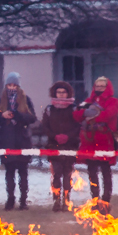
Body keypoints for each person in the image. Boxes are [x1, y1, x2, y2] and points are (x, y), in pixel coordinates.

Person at [73, 77, 118, 213]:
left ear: (107, 87)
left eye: (102, 86)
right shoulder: (88, 101)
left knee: (106, 172)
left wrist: (90, 114)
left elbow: (108, 115)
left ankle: (105, 200)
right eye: (97, 86)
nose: (99, 88)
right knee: (92, 172)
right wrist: (90, 113)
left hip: (104, 139)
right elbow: (76, 115)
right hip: (89, 140)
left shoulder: (113, 101)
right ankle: (95, 200)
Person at [0, 72, 36, 211]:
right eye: (9, 85)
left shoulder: (26, 100)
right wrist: (3, 115)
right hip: (7, 141)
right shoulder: (1, 101)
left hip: (22, 141)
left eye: (14, 85)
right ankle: (10, 199)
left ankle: (23, 200)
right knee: (9, 173)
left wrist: (18, 115)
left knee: (23, 173)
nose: (12, 87)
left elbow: (32, 118)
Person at [42, 81, 80, 212]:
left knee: (67, 174)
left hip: (70, 145)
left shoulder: (74, 109)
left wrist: (68, 136)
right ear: (55, 93)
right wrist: (54, 136)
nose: (61, 94)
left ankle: (66, 200)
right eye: (59, 92)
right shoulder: (49, 109)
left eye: (64, 92)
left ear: (68, 93)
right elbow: (45, 126)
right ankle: (56, 200)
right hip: (54, 145)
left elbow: (78, 126)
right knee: (56, 174)